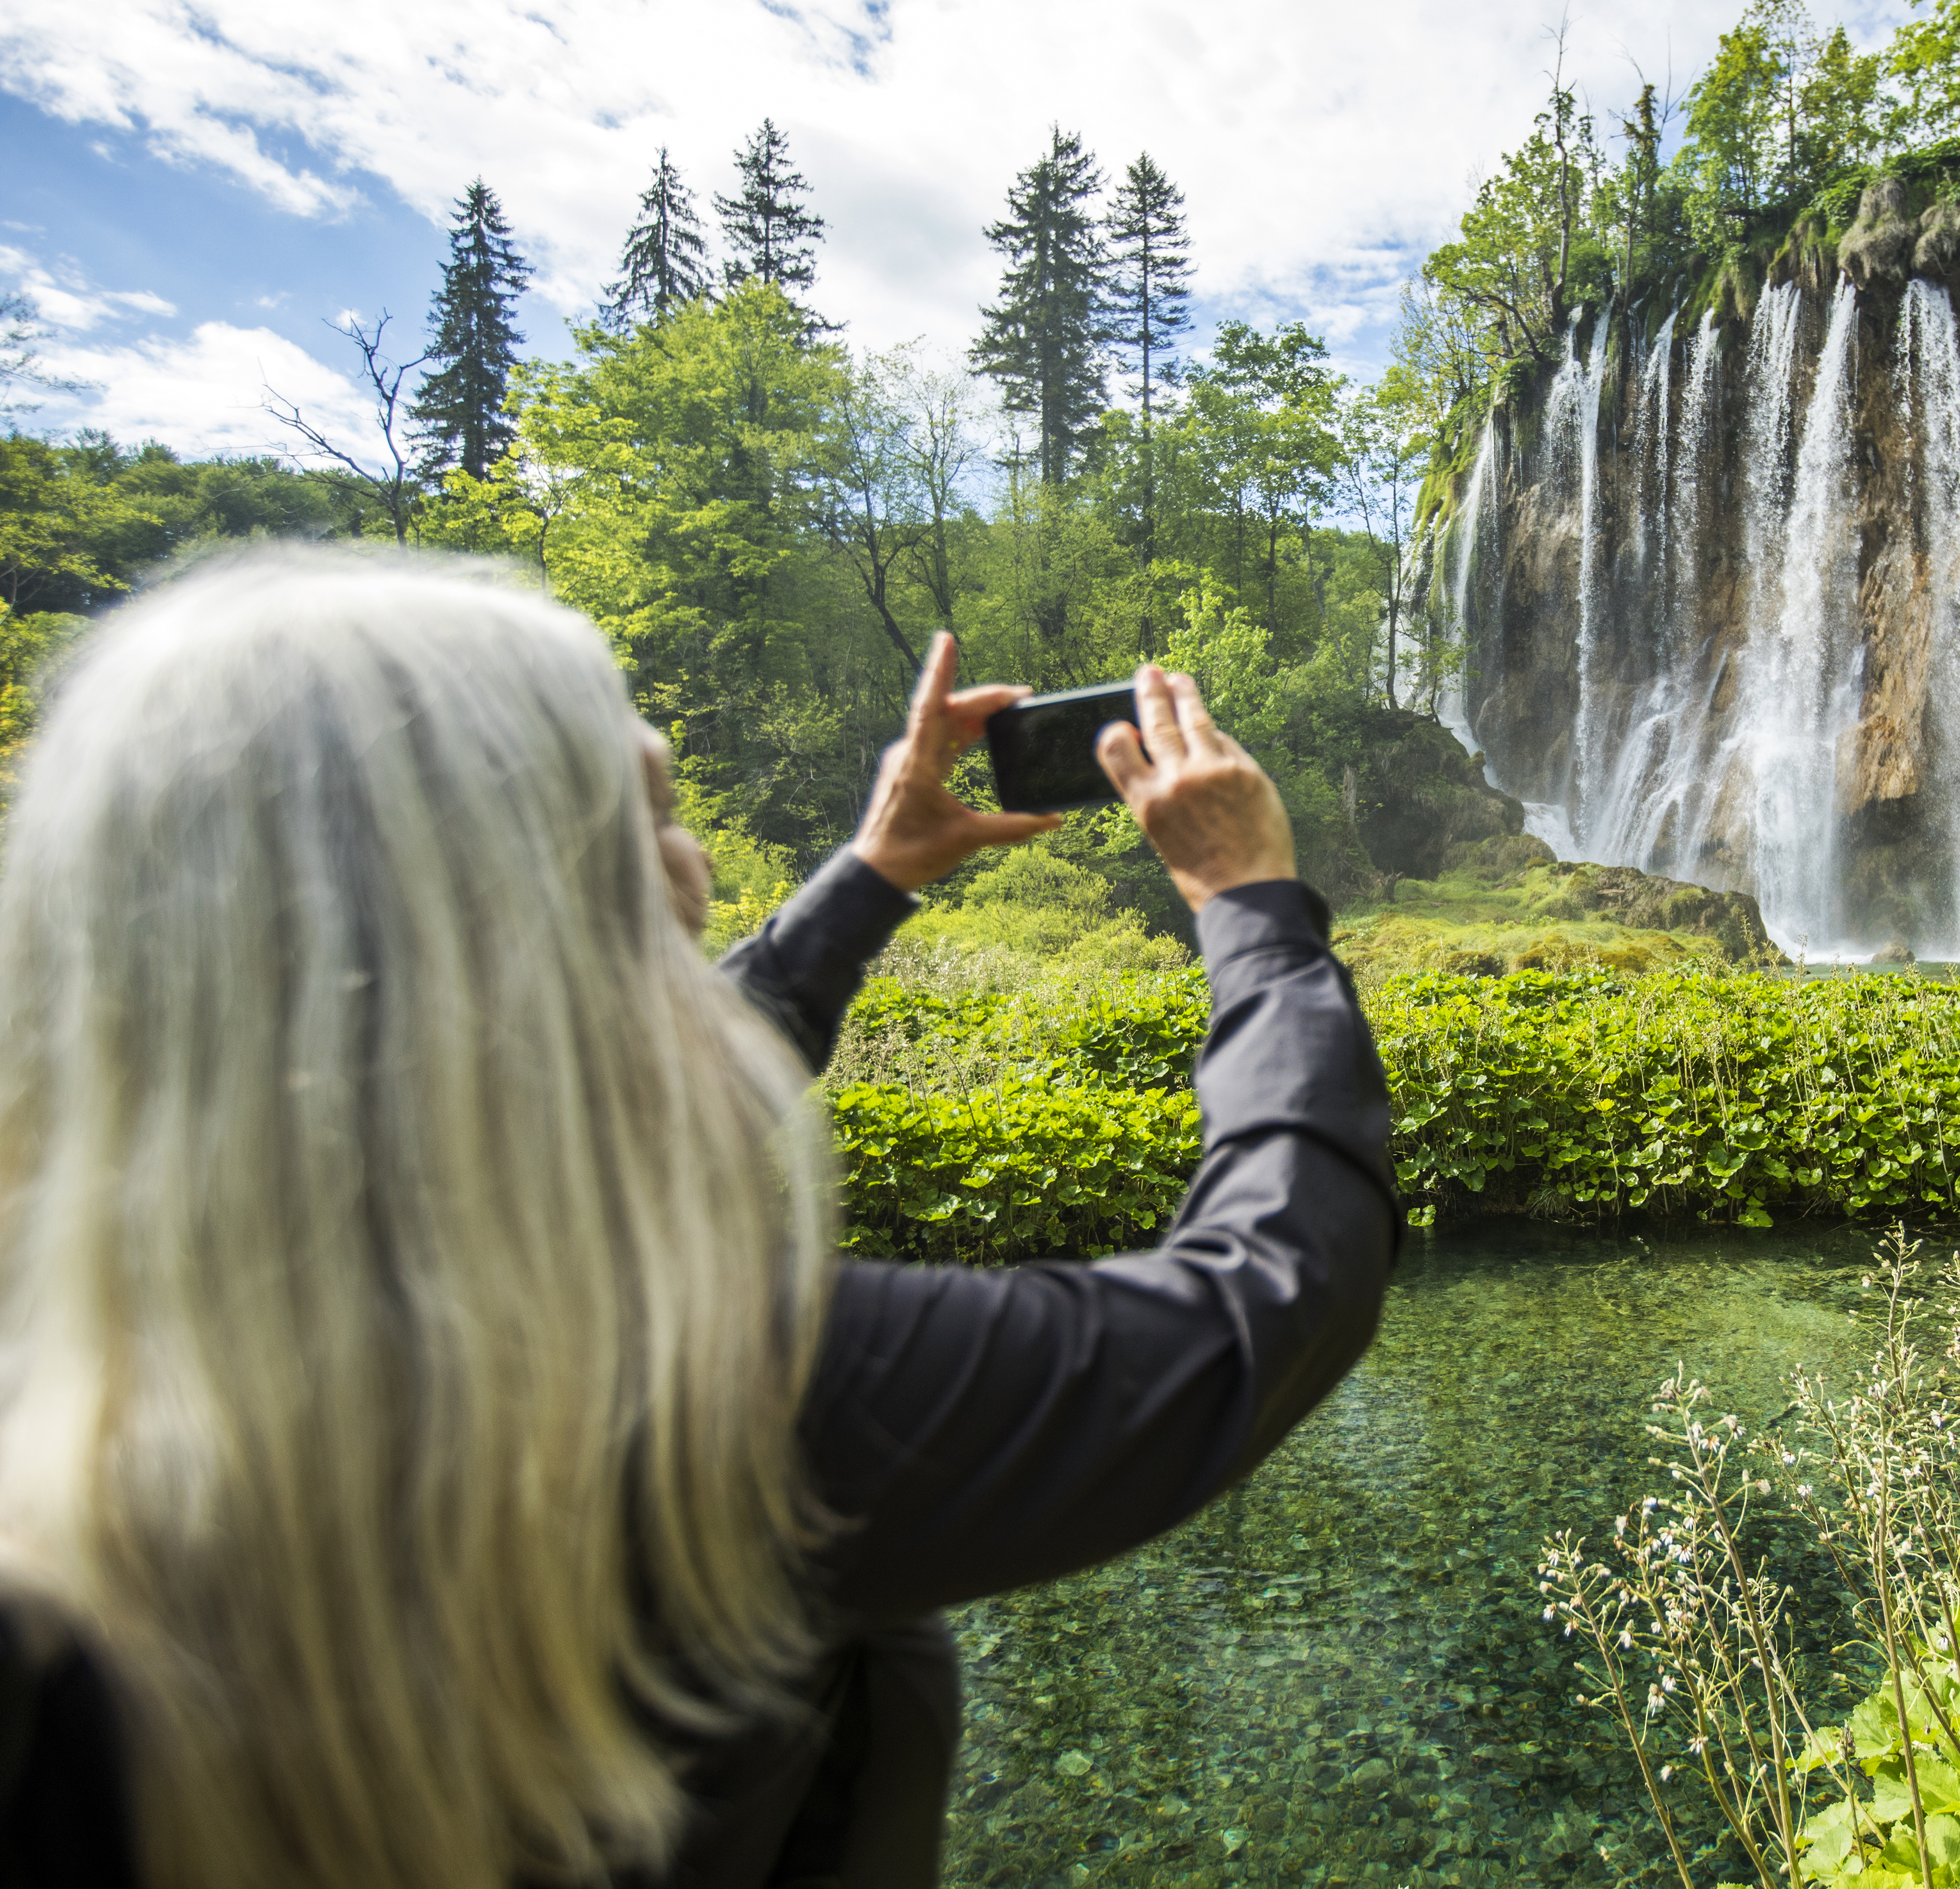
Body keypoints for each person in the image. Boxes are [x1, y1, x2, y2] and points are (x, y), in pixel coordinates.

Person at [0, 548, 1397, 1888]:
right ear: (507, 914)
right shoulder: (728, 1398)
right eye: (654, 816)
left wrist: (877, 872)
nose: (698, 874)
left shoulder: (66, 1409)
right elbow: (1271, 1294)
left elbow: (559, 1115)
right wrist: (1251, 906)